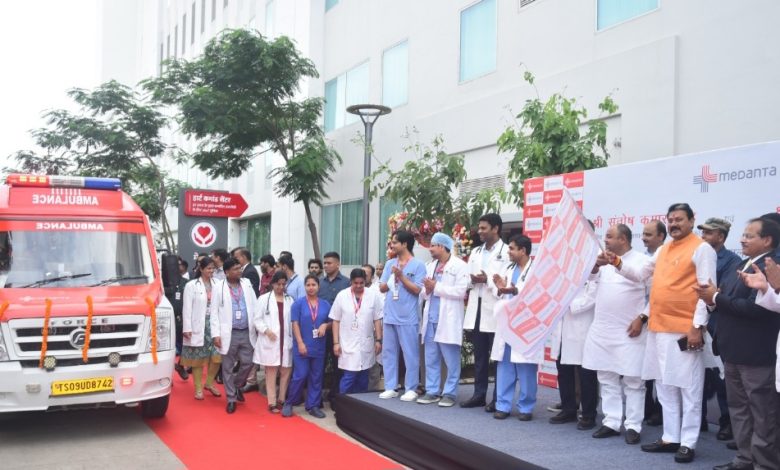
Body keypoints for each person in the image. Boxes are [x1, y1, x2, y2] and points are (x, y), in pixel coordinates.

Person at [601, 203, 717, 464]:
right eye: (671, 220)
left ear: (691, 221)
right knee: (665, 387)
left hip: (684, 331)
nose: (674, 224)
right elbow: (640, 274)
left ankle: (688, 442)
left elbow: (706, 291)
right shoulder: (664, 249)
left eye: (679, 219)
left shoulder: (702, 249)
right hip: (658, 329)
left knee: (689, 388)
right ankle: (670, 437)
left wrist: (697, 327)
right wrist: (617, 262)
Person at [696, 218, 780, 470]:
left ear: (767, 240)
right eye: (743, 234)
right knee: (739, 410)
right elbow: (726, 301)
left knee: (762, 414)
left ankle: (764, 464)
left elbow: (756, 309)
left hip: (756, 354)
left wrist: (716, 297)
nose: (742, 239)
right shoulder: (743, 263)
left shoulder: (771, 267)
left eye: (749, 235)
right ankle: (744, 459)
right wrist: (712, 300)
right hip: (732, 350)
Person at [583, 224, 651, 444]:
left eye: (610, 236)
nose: (606, 240)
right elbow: (590, 280)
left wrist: (642, 318)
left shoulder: (642, 261)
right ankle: (611, 422)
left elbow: (656, 295)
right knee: (606, 377)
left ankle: (633, 425)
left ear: (623, 239)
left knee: (633, 380)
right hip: (603, 329)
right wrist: (596, 265)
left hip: (630, 330)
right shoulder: (603, 259)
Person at [549, 221, 599, 430]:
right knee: (564, 369)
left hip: (582, 321)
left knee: (586, 373)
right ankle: (569, 408)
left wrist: (570, 304)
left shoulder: (597, 258)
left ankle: (588, 414)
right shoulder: (565, 257)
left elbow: (594, 292)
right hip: (562, 322)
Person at [698, 217, 742, 441]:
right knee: (698, 374)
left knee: (721, 376)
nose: (703, 236)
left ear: (721, 237)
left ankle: (727, 423)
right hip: (695, 321)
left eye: (708, 233)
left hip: (717, 324)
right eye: (702, 232)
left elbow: (721, 292)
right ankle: (699, 419)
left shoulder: (733, 261)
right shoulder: (696, 255)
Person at [416, 233, 469, 407]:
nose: (430, 249)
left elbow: (461, 292)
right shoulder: (430, 266)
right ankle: (432, 391)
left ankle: (450, 393)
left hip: (448, 320)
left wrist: (436, 287)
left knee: (451, 360)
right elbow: (424, 293)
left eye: (433, 245)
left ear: (442, 246)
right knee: (431, 358)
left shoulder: (460, 266)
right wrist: (427, 289)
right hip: (431, 318)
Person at [462, 214, 508, 410]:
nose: (479, 231)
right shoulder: (475, 252)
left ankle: (498, 398)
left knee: (497, 357)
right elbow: (466, 278)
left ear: (495, 229)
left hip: (495, 308)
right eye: (479, 228)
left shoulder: (506, 252)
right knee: (480, 356)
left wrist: (487, 280)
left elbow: (506, 281)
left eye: (483, 228)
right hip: (477, 308)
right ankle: (479, 394)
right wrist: (472, 280)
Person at [489, 234, 537, 420]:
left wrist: (516, 290)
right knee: (505, 366)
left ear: (522, 251)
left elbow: (536, 294)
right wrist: (500, 287)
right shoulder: (508, 269)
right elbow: (501, 295)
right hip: (507, 324)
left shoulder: (536, 270)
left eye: (511, 248)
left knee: (526, 369)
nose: (508, 252)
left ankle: (526, 407)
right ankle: (503, 405)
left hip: (525, 325)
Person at [379, 230, 427, 401]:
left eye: (395, 242)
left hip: (408, 317)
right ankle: (390, 386)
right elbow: (382, 288)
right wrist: (392, 277)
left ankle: (411, 388)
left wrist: (401, 276)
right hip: (390, 314)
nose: (391, 245)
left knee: (410, 353)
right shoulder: (390, 264)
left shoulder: (419, 265)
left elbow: (417, 289)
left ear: (405, 244)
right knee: (388, 353)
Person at [211, 257, 260, 414]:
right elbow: (214, 312)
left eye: (240, 268)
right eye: (235, 269)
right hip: (229, 332)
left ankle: (237, 385)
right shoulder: (219, 287)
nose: (239, 271)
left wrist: (258, 326)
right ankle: (231, 399)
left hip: (246, 331)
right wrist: (216, 334)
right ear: (227, 272)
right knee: (227, 366)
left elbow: (255, 305)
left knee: (249, 362)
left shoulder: (247, 283)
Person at [283, 275, 332, 418]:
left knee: (316, 377)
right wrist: (300, 343)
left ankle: (313, 405)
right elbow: (295, 324)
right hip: (302, 346)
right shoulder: (298, 304)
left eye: (313, 285)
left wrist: (325, 325)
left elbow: (332, 322)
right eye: (308, 285)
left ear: (318, 286)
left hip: (319, 346)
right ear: (304, 287)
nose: (311, 288)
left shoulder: (325, 304)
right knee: (300, 375)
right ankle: (289, 402)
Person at [330, 268, 383, 394]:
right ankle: (342, 403)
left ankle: (358, 405)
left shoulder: (373, 295)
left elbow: (377, 319)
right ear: (351, 282)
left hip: (366, 343)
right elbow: (335, 321)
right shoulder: (342, 295)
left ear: (365, 281)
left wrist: (379, 340)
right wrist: (336, 343)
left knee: (363, 379)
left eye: (361, 283)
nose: (359, 286)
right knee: (349, 377)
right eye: (356, 283)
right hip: (347, 343)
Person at [181, 257, 222, 400]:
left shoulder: (218, 284)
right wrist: (187, 327)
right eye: (208, 268)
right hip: (198, 324)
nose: (211, 271)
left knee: (217, 356)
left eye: (213, 268)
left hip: (215, 324)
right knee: (198, 358)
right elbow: (187, 308)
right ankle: (198, 388)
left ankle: (209, 383)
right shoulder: (191, 285)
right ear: (201, 269)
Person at [253, 270, 294, 414]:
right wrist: (266, 330)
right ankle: (272, 402)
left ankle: (282, 399)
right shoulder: (264, 299)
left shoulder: (290, 300)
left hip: (286, 339)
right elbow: (257, 319)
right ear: (273, 284)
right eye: (278, 284)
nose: (281, 287)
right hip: (271, 339)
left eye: (283, 284)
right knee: (271, 371)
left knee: (286, 371)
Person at [641, 220, 666, 426]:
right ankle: (646, 409)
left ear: (661, 236)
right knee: (645, 370)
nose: (643, 238)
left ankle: (660, 411)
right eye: (643, 234)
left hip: (661, 322)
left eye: (649, 234)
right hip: (641, 323)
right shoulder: (643, 259)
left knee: (662, 373)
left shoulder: (667, 257)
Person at [319, 252, 351, 401]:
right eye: (324, 263)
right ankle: (317, 398)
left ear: (338, 264)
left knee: (339, 365)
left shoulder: (346, 283)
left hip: (339, 332)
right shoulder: (319, 283)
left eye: (329, 263)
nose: (326, 266)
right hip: (321, 331)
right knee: (319, 364)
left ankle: (335, 397)